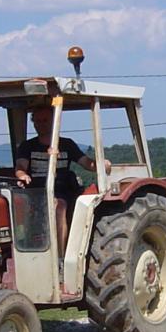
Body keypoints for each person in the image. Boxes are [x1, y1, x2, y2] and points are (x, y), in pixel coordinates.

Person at [14, 105, 108, 256]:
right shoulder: (28, 146)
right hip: (36, 192)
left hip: (62, 190)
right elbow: (20, 166)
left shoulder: (66, 144)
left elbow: (85, 162)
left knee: (58, 206)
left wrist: (101, 165)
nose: (40, 124)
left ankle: (60, 258)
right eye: (37, 121)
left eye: (45, 120)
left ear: (54, 122)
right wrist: (22, 175)